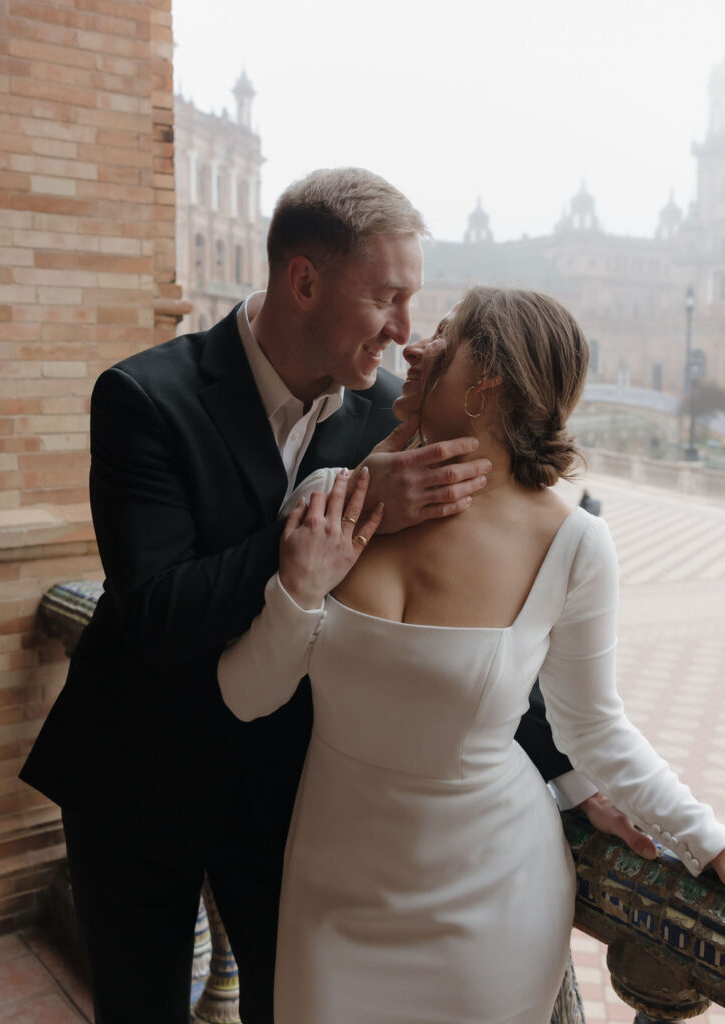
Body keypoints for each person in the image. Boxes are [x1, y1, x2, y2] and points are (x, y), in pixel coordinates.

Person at [218, 286, 725, 1024]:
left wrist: (709, 843)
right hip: (329, 885)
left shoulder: (575, 544)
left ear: (487, 386)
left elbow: (596, 728)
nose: (410, 348)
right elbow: (245, 696)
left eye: (443, 340)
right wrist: (299, 585)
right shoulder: (334, 497)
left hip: (490, 897)